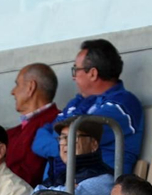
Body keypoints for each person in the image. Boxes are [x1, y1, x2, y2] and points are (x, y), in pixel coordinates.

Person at [32, 38, 144, 181]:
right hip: (60, 185)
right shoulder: (77, 102)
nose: (73, 77)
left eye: (75, 70)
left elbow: (78, 141)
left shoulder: (124, 103)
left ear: (92, 73)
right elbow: (39, 139)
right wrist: (65, 143)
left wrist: (62, 143)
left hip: (99, 188)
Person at [6, 62, 60, 186]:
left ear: (31, 87)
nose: (12, 92)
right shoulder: (13, 133)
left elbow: (29, 177)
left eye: (17, 85)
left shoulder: (56, 123)